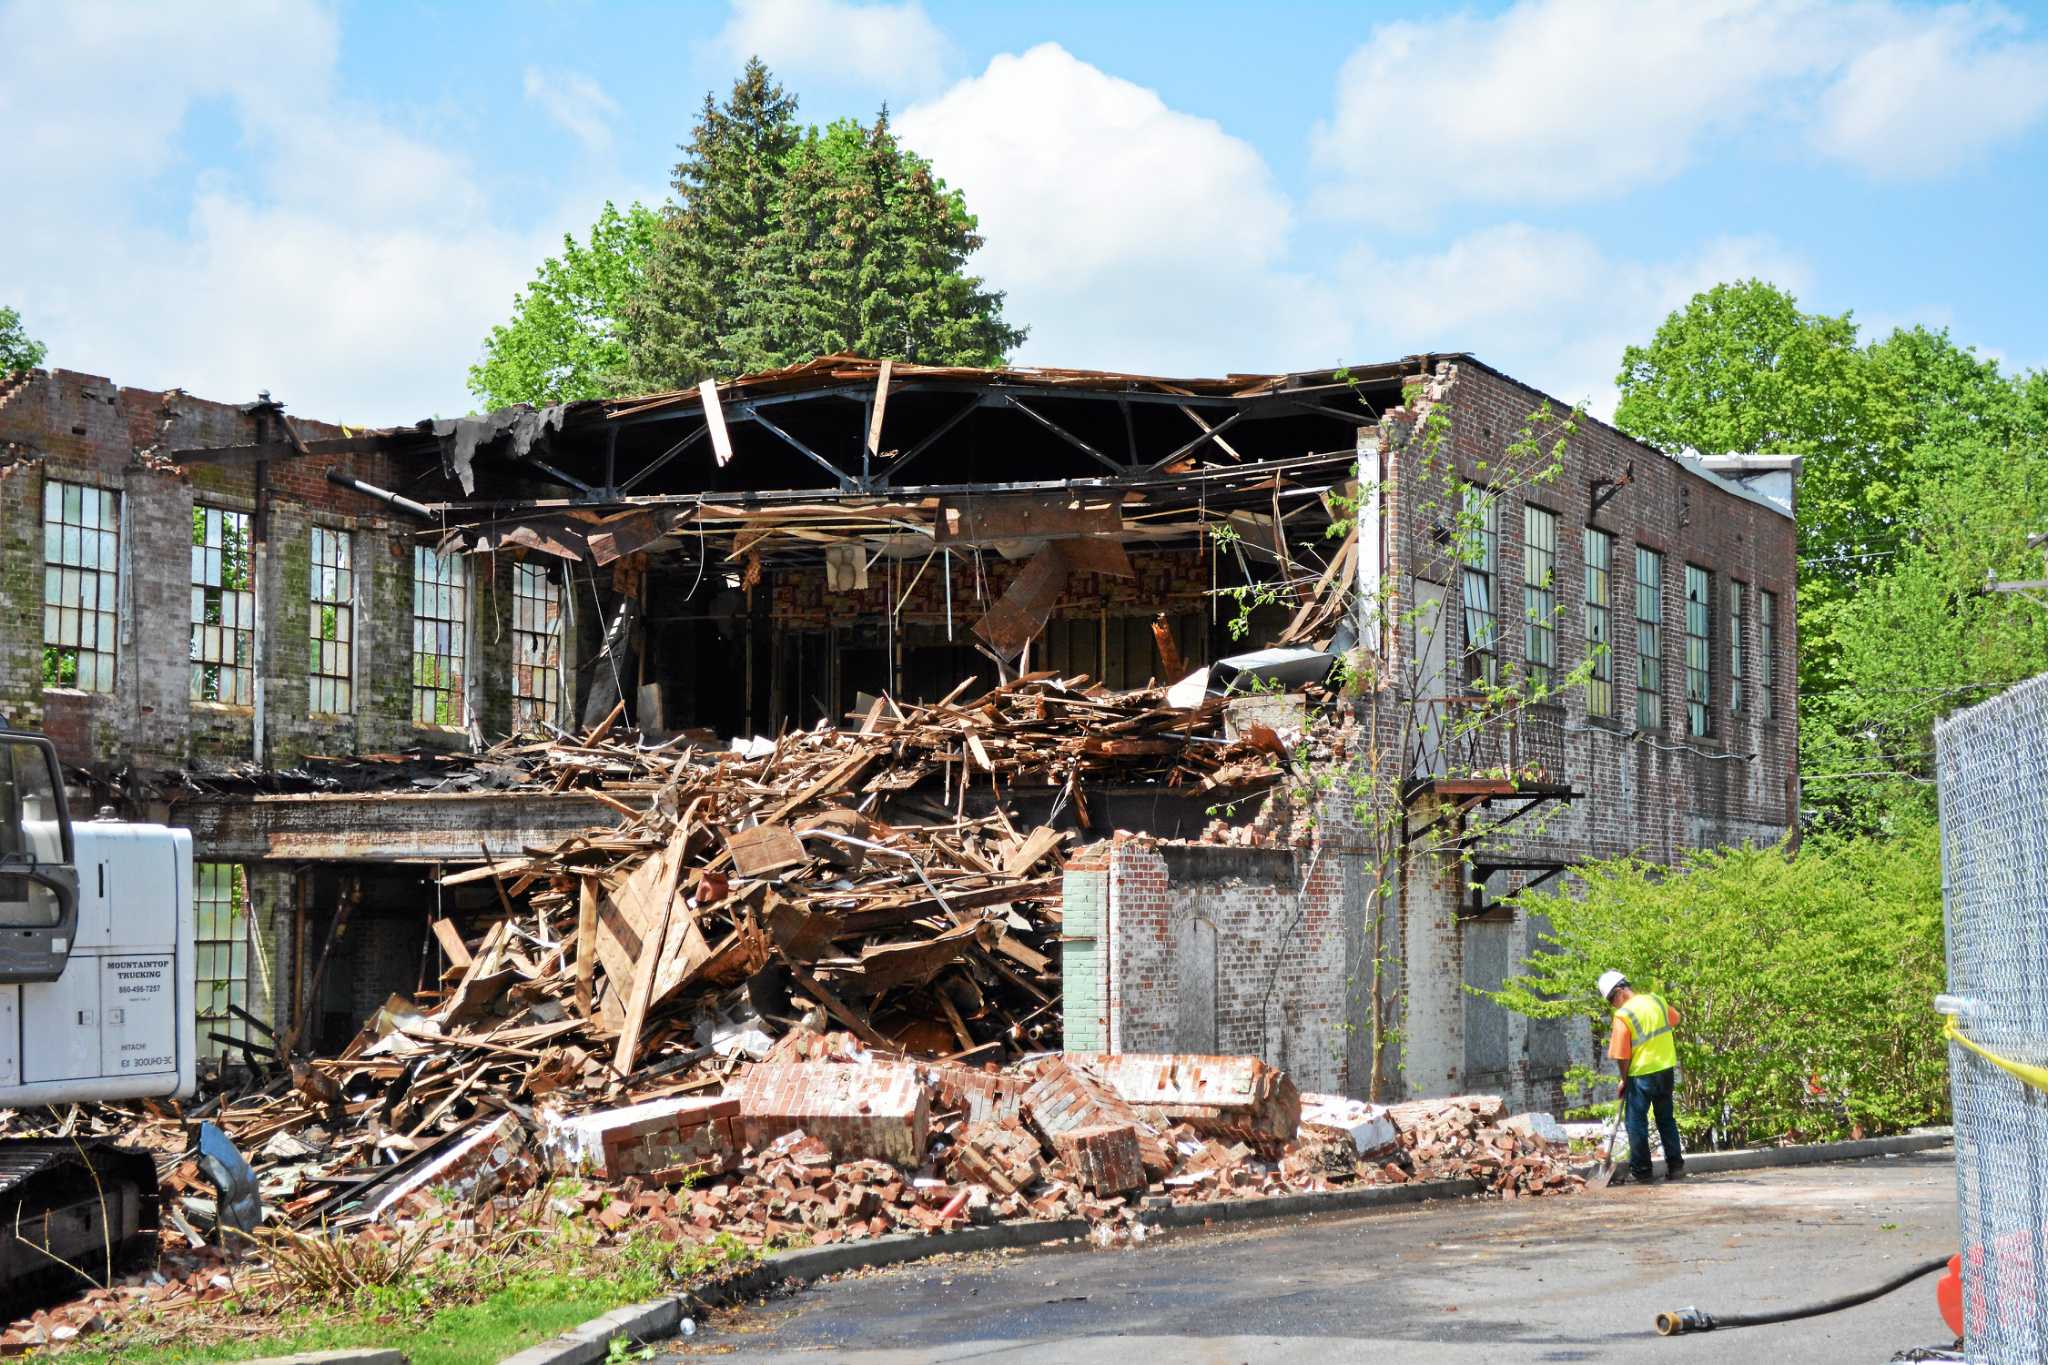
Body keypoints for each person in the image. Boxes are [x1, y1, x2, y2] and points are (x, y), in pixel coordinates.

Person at [1598, 969, 1685, 1183]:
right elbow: (1675, 1019)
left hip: (1641, 1076)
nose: (1613, 1006)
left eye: (1611, 1000)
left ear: (1620, 992)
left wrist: (1624, 1079)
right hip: (1665, 1070)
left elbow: (1622, 1055)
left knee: (1635, 1124)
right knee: (1666, 1119)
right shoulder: (1656, 1001)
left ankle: (1642, 1171)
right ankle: (1676, 1167)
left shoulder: (1623, 1015)